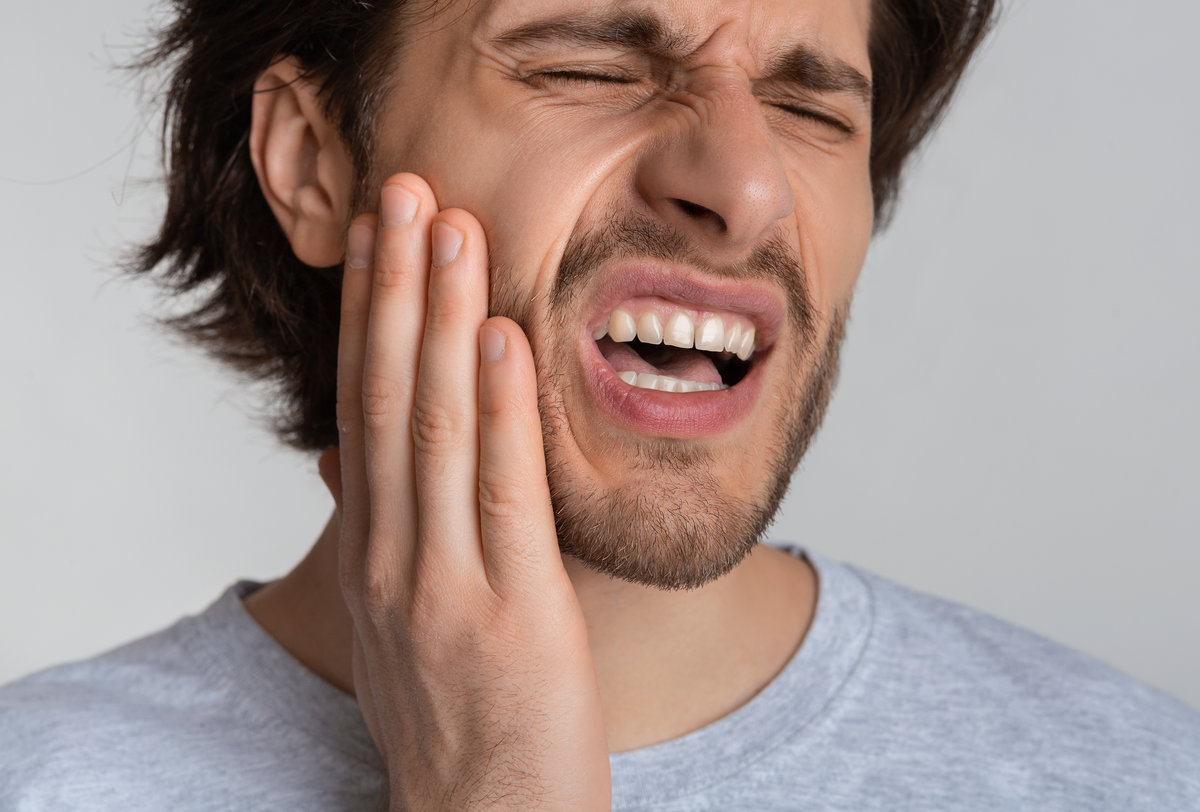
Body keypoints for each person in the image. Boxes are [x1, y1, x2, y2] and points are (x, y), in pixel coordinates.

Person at [2, 0, 1198, 808]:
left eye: (812, 108)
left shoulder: (1139, 777)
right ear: (315, 158)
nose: (741, 185)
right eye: (590, 66)